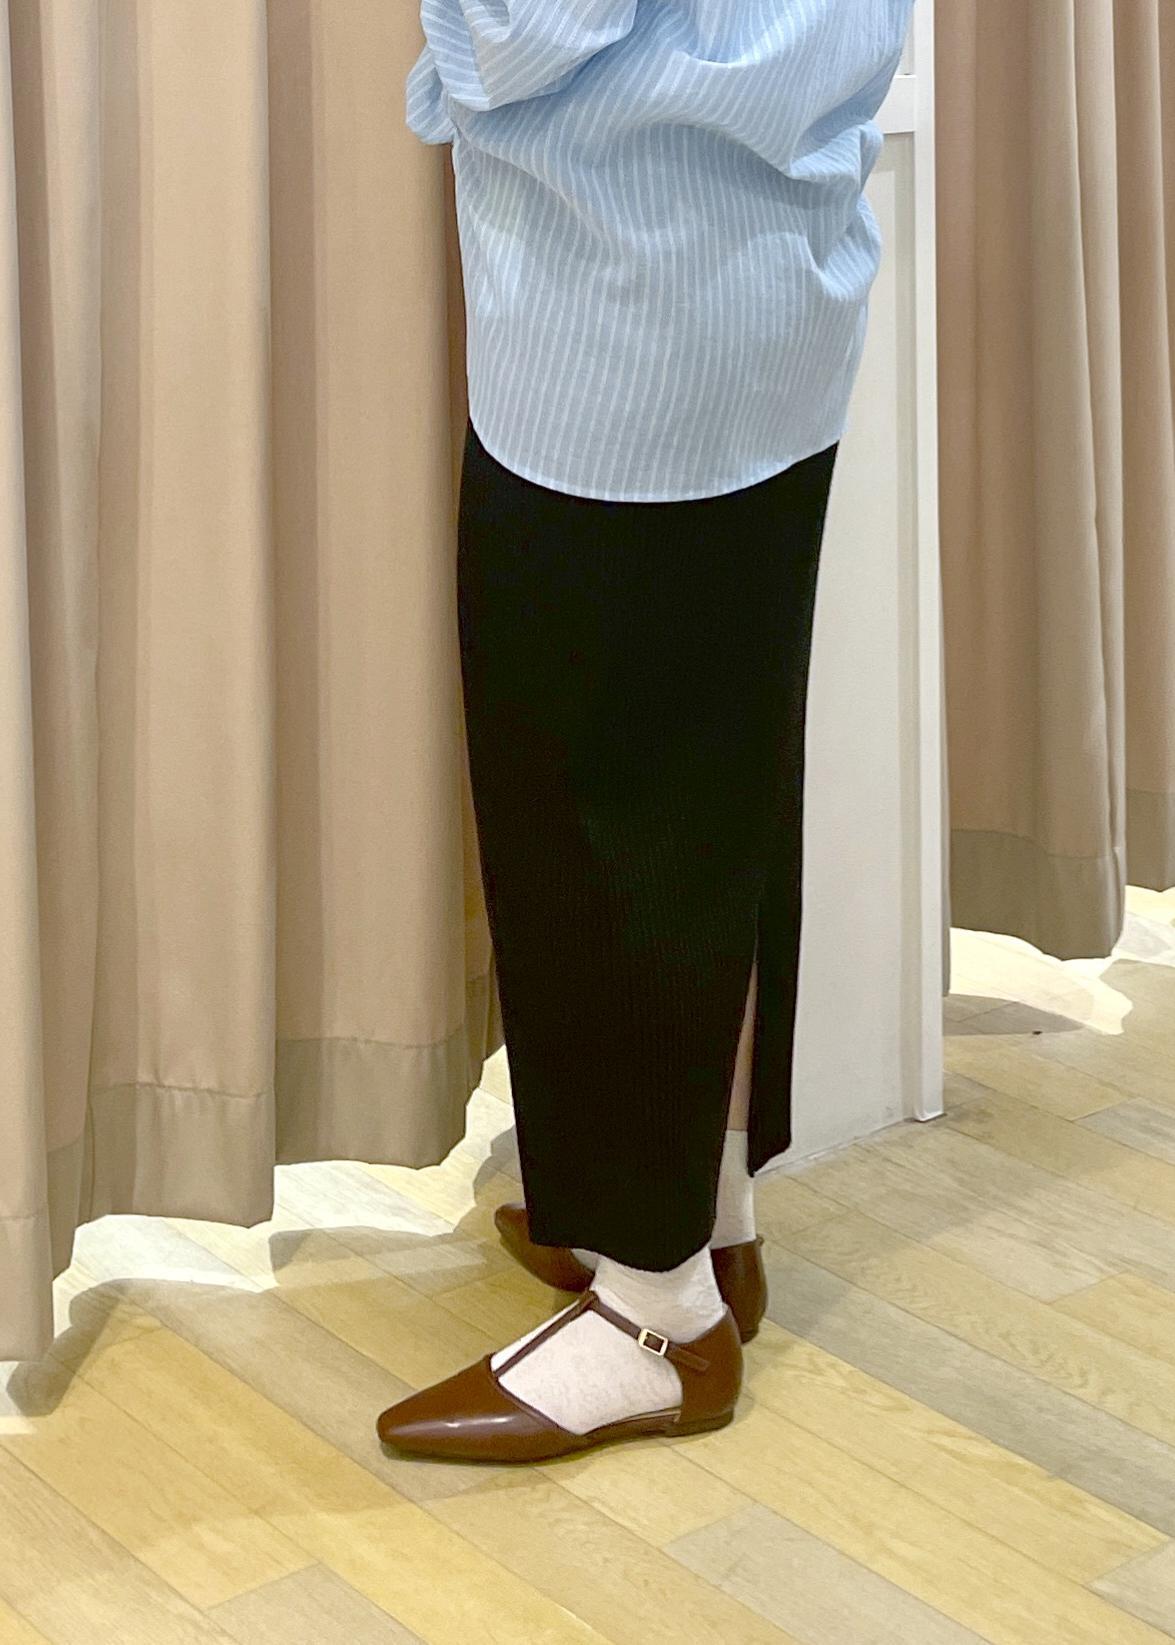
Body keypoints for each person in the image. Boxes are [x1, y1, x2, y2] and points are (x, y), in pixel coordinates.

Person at [377, 0, 914, 1463]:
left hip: (621, 301)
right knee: (710, 778)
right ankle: (699, 1216)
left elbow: (525, 27)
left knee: (597, 796)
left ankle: (657, 1318)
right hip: (773, 271)